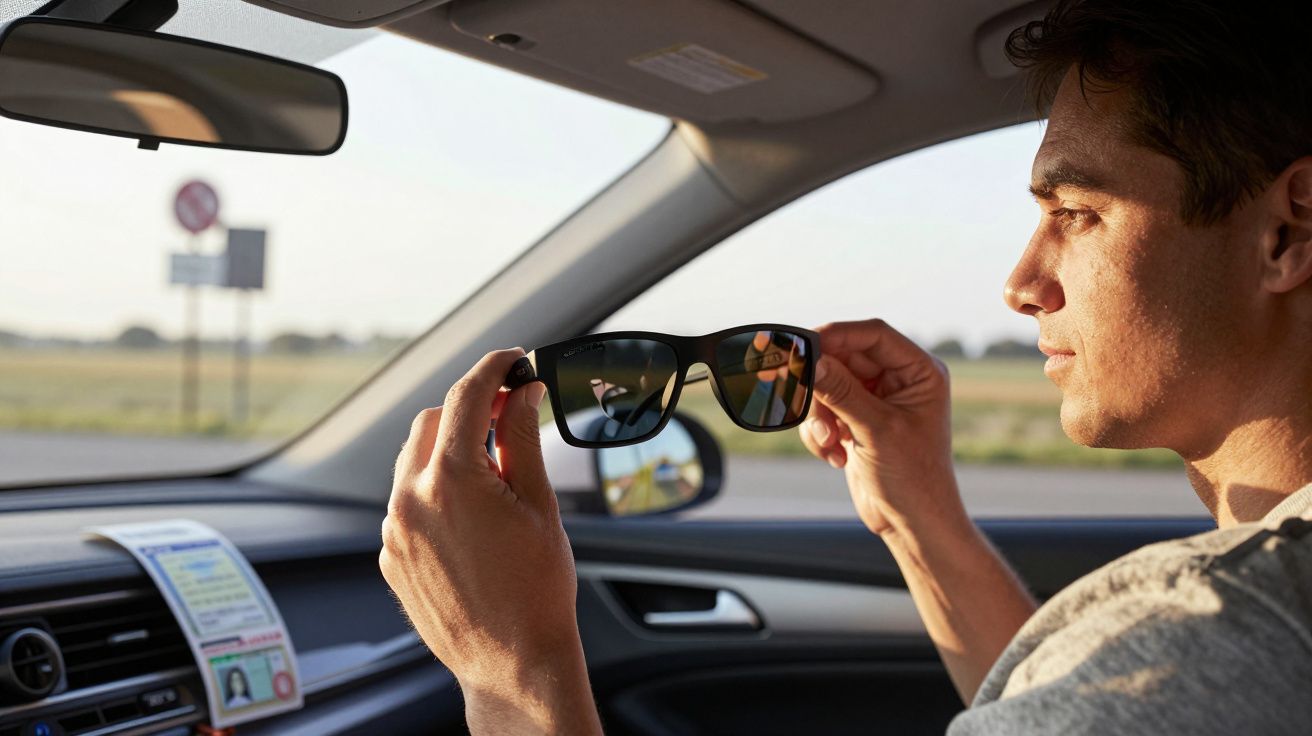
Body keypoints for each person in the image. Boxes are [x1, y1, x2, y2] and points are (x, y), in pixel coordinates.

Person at [378, 0, 1312, 733]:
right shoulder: (1232, 625)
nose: (1021, 283)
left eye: (1076, 211)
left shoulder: (1215, 635)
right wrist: (918, 515)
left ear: (1288, 229)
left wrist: (514, 673)